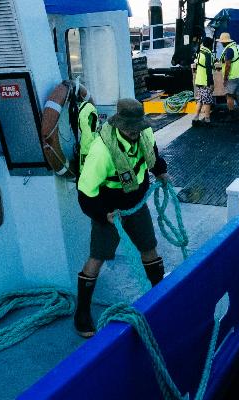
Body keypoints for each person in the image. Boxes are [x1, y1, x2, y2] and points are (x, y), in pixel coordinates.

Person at [73, 98, 172, 338]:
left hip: (135, 203)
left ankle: (159, 295)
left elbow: (153, 156)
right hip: (108, 210)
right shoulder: (101, 151)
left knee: (149, 247)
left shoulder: (145, 134)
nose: (133, 131)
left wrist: (161, 172)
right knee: (97, 256)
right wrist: (101, 214)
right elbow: (85, 192)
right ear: (118, 124)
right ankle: (82, 312)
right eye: (129, 127)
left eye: (137, 126)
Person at [218, 32, 239, 121]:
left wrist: (225, 78)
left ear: (225, 42)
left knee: (229, 96)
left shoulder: (229, 50)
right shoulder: (235, 47)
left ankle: (231, 115)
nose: (221, 43)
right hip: (238, 75)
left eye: (222, 42)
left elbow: (228, 65)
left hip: (232, 76)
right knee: (236, 95)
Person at [191, 36, 216, 127]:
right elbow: (208, 71)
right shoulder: (207, 55)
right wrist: (211, 84)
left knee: (200, 100)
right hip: (205, 82)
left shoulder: (200, 53)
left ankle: (195, 118)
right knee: (207, 101)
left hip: (198, 80)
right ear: (210, 45)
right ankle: (207, 120)